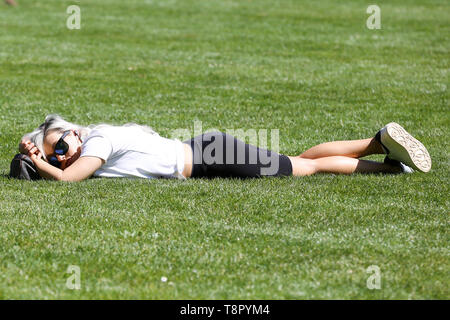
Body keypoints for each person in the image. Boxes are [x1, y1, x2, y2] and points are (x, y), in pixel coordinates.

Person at [19, 114, 431, 182]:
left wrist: (45, 165)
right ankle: (379, 144)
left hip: (211, 157)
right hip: (207, 150)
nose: (63, 155)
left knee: (306, 169)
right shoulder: (98, 137)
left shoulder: (98, 141)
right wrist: (32, 157)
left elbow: (68, 179)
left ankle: (387, 159)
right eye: (57, 152)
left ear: (73, 131)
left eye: (60, 145)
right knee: (298, 160)